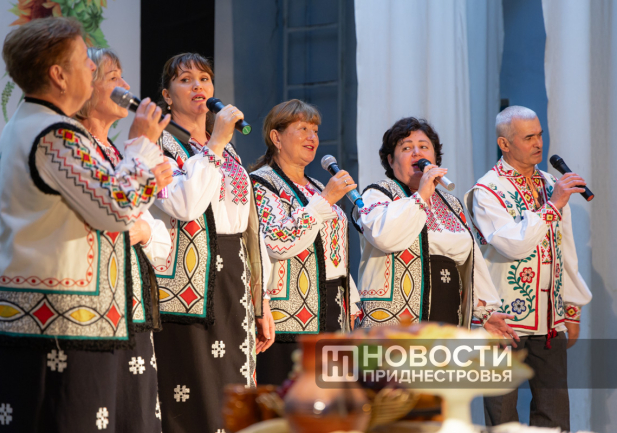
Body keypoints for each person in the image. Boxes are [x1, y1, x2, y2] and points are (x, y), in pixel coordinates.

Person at [0, 18, 171, 432]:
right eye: (85, 60)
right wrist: (140, 143)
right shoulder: (55, 133)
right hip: (57, 323)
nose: (92, 67)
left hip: (46, 320)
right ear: (58, 75)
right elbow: (117, 209)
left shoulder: (29, 124)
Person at [149, 52, 274, 433]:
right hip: (186, 289)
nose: (198, 86)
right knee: (192, 393)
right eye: (185, 79)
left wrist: (262, 299)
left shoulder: (229, 150)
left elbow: (250, 225)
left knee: (234, 388)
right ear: (167, 95)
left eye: (204, 78)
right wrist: (216, 142)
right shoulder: (158, 145)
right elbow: (184, 205)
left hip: (233, 276)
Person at [464, 106, 592, 430]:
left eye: (540, 135)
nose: (538, 143)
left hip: (549, 320)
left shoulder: (550, 183)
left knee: (555, 417)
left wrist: (572, 307)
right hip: (503, 321)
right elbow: (512, 244)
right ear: (504, 144)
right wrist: (553, 206)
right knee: (503, 416)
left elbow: (565, 249)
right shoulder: (487, 190)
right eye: (528, 137)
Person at [76, 47, 173, 431]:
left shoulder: (114, 153)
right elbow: (109, 215)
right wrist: (140, 146)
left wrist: (145, 230)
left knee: (138, 416)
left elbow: (156, 236)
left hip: (131, 307)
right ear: (86, 85)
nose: (125, 85)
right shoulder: (77, 146)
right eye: (113, 77)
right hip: (96, 312)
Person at [354, 117, 517, 338]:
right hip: (395, 322)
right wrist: (421, 196)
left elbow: (472, 259)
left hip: (447, 316)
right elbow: (384, 236)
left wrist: (485, 311)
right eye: (406, 148)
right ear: (391, 160)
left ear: (435, 158)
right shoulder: (378, 194)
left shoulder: (451, 203)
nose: (416, 153)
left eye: (424, 147)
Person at [249, 99, 362, 386]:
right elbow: (277, 242)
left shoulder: (318, 186)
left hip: (333, 311)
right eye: (302, 129)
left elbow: (335, 253)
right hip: (289, 318)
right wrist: (325, 201)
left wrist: (352, 302)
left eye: (315, 130)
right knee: (291, 401)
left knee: (334, 401)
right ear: (276, 137)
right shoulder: (261, 184)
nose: (312, 137)